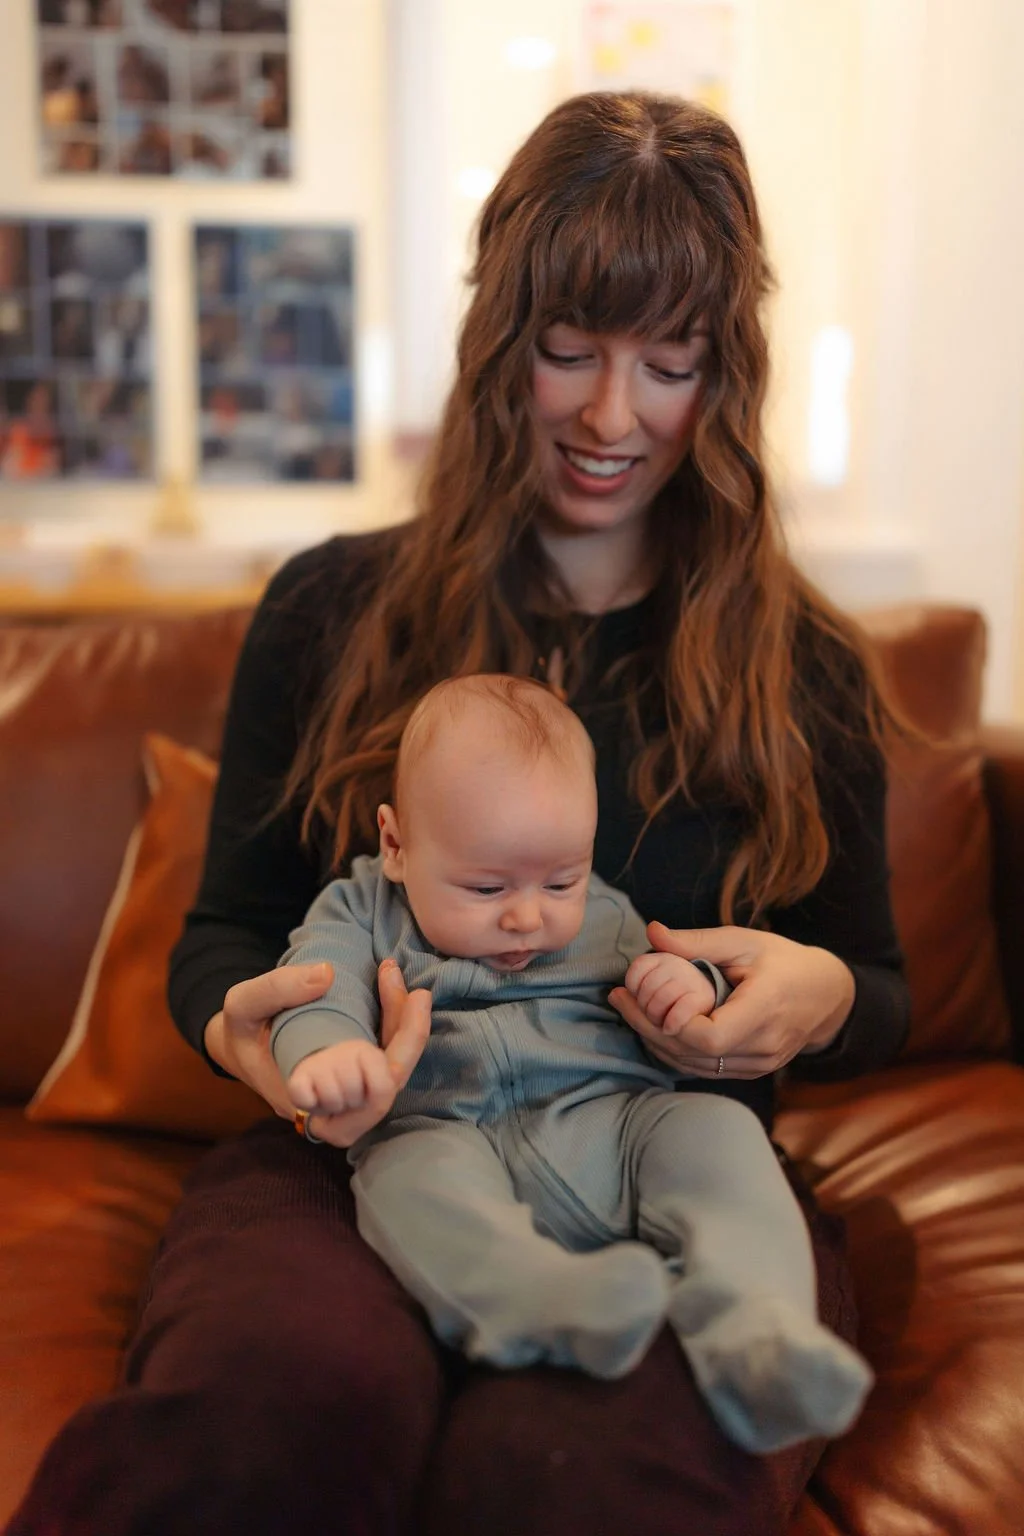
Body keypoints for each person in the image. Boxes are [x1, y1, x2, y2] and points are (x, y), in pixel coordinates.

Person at [6, 90, 910, 1536]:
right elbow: (226, 936)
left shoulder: (805, 671)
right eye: (569, 352)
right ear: (502, 342)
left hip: (659, 1150)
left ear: (724, 375)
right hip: (370, 1148)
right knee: (275, 1411)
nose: (615, 417)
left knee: (575, 1480)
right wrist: (259, 1039)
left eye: (670, 363)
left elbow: (879, 990)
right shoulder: (327, 609)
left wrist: (813, 997)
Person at [272, 672, 873, 1451]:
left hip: (616, 1125)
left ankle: (758, 1324)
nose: (530, 915)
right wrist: (330, 1053)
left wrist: (688, 986)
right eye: (486, 886)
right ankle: (536, 1303)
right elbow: (312, 984)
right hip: (447, 1127)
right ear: (395, 844)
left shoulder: (603, 913)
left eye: (562, 878)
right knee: (409, 1180)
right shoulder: (360, 910)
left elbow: (685, 977)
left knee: (717, 1131)